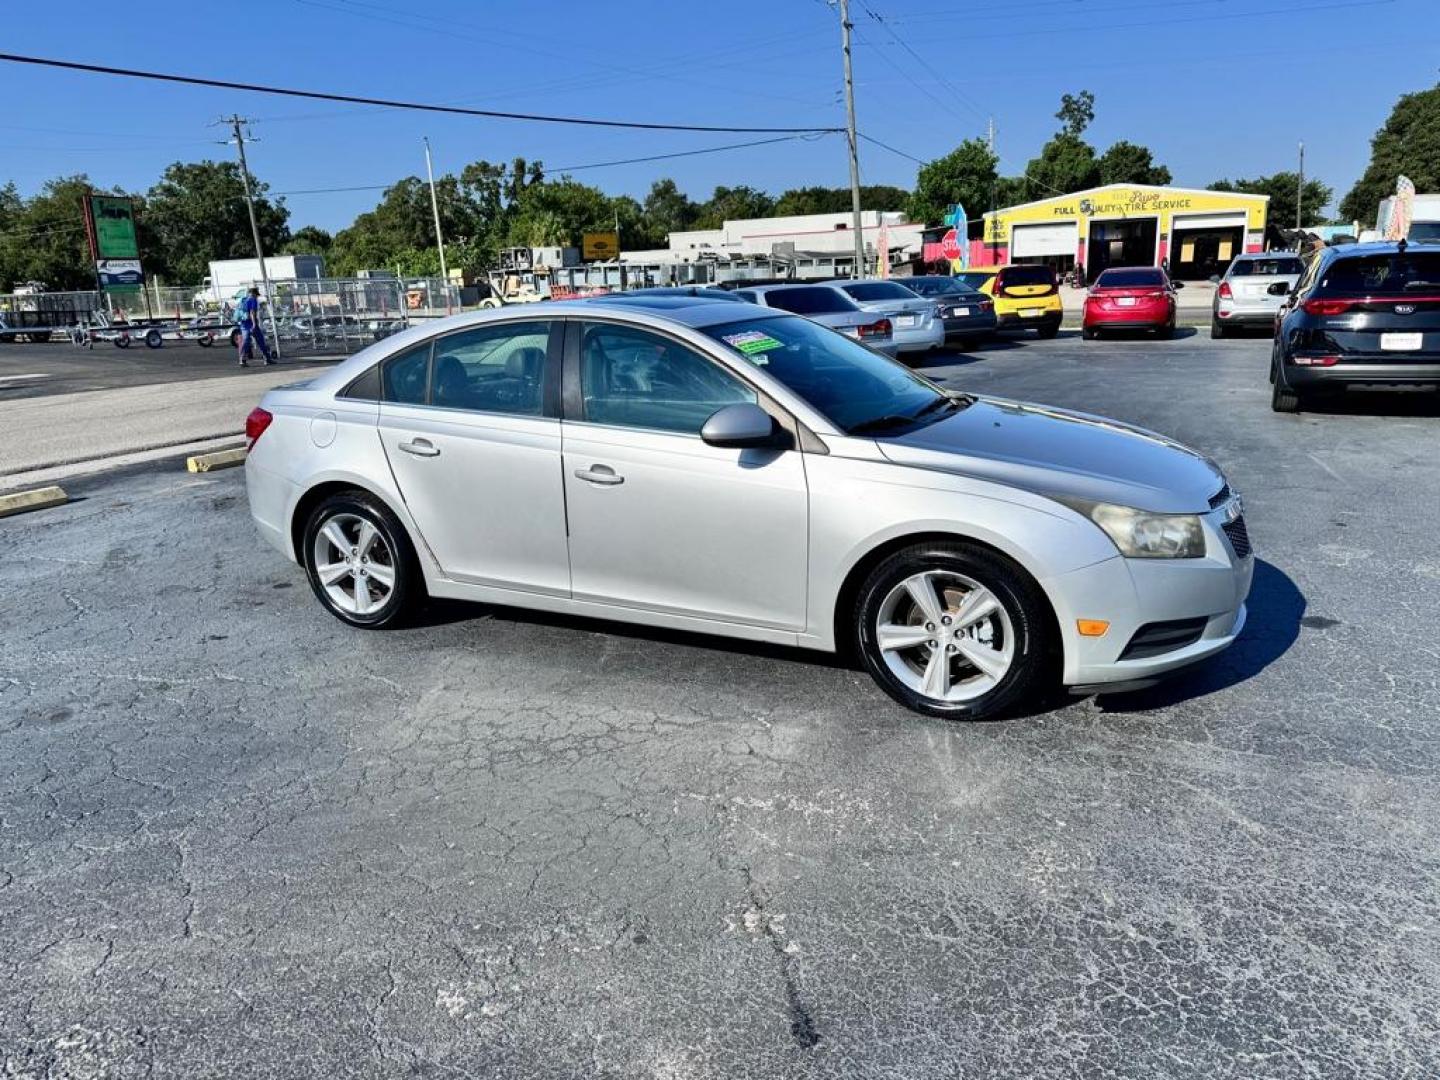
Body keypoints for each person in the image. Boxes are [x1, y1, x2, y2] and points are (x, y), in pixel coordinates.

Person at [236, 287, 275, 367]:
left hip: (243, 323)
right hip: (251, 323)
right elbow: (252, 312)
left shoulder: (243, 300)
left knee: (246, 341)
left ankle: (242, 360)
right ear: (254, 294)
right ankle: (267, 359)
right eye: (256, 295)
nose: (257, 297)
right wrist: (254, 324)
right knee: (260, 341)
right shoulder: (253, 300)